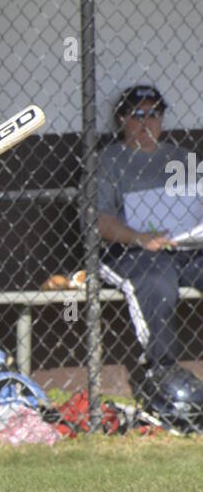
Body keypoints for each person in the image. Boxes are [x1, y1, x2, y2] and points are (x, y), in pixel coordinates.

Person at [96, 83, 203, 399]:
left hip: (185, 248)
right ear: (121, 119)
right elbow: (99, 220)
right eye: (137, 114)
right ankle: (163, 370)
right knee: (157, 282)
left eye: (153, 114)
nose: (146, 122)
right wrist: (140, 238)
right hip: (130, 251)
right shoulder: (109, 160)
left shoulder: (181, 158)